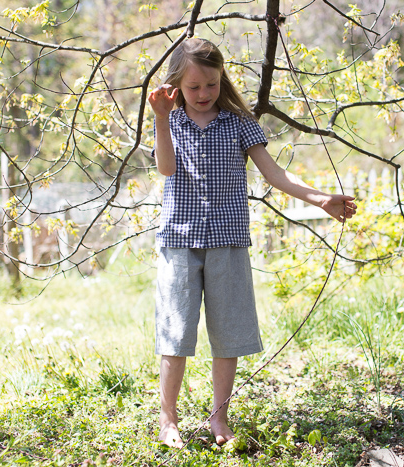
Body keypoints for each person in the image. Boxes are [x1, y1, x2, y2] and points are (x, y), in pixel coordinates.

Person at [147, 37, 357, 448]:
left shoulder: (239, 123)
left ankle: (219, 418)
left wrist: (321, 199)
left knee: (229, 334)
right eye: (194, 87)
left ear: (221, 79)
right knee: (176, 333)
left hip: (227, 241)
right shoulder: (171, 120)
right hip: (179, 241)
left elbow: (275, 174)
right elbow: (166, 168)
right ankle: (167, 419)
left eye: (211, 84)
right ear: (177, 85)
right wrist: (160, 118)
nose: (203, 93)